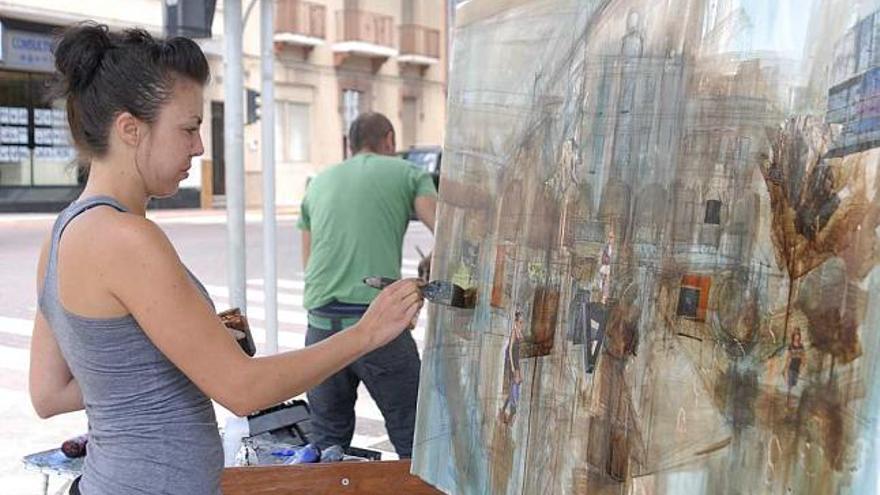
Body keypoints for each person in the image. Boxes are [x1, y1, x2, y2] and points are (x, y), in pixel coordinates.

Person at [28, 24, 423, 495]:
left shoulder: (63, 232)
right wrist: (367, 333)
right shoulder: (127, 238)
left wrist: (190, 350)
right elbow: (243, 389)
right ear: (130, 129)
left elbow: (50, 392)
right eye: (189, 128)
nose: (198, 146)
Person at [297, 112, 437, 458]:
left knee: (327, 442)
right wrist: (433, 261)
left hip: (322, 328)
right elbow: (449, 232)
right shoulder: (409, 173)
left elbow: (309, 261)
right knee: (415, 438)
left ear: (350, 144)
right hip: (379, 323)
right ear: (389, 139)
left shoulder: (318, 182)